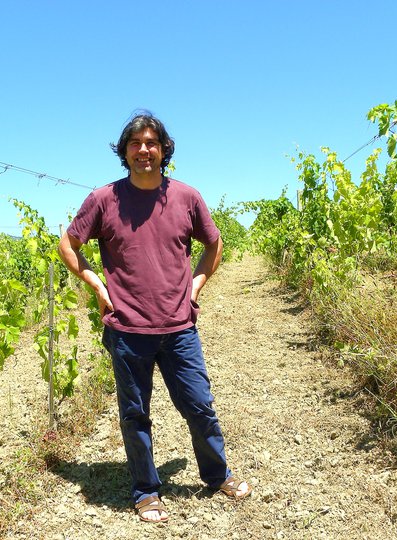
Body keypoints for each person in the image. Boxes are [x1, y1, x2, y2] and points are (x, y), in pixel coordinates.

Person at [58, 112, 251, 523]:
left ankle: (217, 474)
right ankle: (146, 490)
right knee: (135, 415)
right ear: (124, 151)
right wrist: (96, 285)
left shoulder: (186, 197)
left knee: (199, 405)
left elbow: (214, 244)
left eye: (151, 143)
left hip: (179, 328)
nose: (143, 150)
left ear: (164, 150)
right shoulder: (104, 199)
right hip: (128, 331)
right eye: (135, 143)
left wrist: (196, 284)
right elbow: (68, 245)